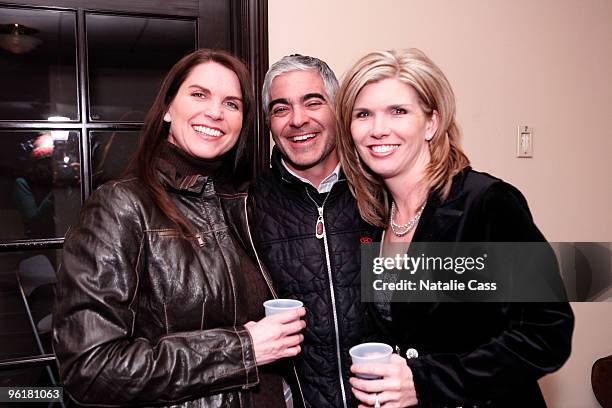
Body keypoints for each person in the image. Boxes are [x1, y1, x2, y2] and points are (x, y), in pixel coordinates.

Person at [53, 49, 306, 408]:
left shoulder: (241, 204)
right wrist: (241, 350)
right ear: (168, 109)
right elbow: (90, 370)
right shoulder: (121, 206)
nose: (215, 112)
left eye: (232, 104)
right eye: (199, 94)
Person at [335, 48, 574, 408]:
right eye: (363, 114)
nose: (378, 129)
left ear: (431, 122)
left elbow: (547, 332)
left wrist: (427, 381)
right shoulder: (375, 218)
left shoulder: (486, 202)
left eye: (398, 111)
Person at [251, 54, 374, 407]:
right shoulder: (247, 207)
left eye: (313, 102)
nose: (298, 120)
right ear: (269, 123)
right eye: (280, 108)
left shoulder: (382, 192)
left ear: (337, 110)